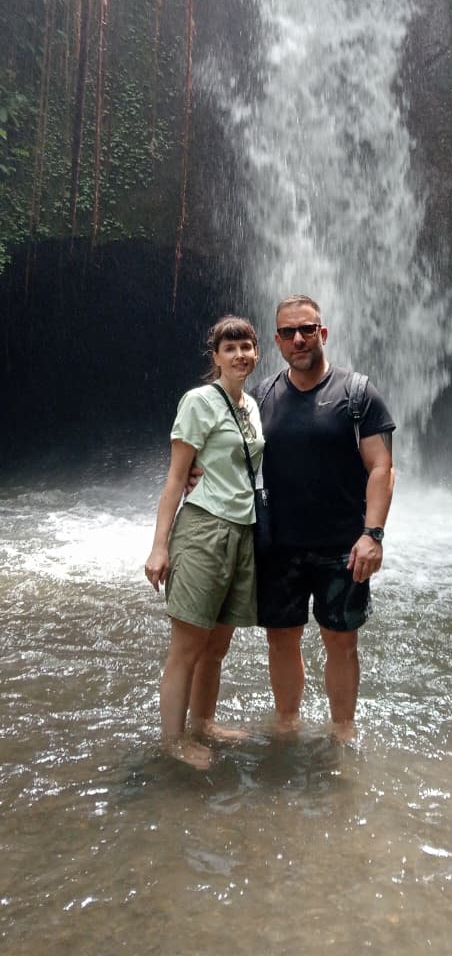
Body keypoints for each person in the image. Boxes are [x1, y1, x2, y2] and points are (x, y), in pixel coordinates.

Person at [257, 294, 395, 739]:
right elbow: (231, 455)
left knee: (341, 641)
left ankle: (343, 730)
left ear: (323, 333)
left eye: (307, 329)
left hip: (342, 545)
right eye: (288, 332)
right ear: (276, 341)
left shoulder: (357, 393)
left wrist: (372, 534)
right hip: (278, 545)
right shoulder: (260, 397)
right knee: (281, 638)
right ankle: (287, 724)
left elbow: (381, 467)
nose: (298, 339)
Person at [144, 314, 263, 768]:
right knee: (188, 646)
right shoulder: (198, 401)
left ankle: (204, 723)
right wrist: (160, 546)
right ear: (214, 357)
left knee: (217, 645)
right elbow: (176, 478)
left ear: (256, 351)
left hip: (242, 531)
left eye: (246, 346)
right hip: (203, 528)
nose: (239, 355)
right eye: (229, 348)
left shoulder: (251, 406)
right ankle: (174, 740)